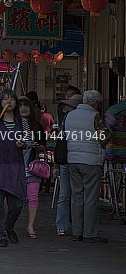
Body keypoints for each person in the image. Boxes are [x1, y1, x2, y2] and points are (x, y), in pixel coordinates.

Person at [0, 88, 32, 247]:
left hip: (15, 167)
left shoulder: (21, 121)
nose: (8, 102)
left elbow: (29, 141)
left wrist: (23, 143)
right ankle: (1, 236)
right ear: (0, 102)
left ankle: (9, 227)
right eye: (5, 99)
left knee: (16, 205)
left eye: (12, 99)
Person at [65, 89, 111, 243]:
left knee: (76, 195)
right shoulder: (95, 116)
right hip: (90, 161)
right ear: (96, 103)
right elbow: (104, 137)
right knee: (90, 197)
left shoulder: (69, 116)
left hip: (73, 159)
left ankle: (77, 231)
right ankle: (89, 233)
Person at [55, 89, 82, 236]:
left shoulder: (68, 119)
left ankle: (63, 226)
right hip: (69, 160)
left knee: (66, 195)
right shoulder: (65, 118)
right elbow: (61, 142)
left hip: (68, 160)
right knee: (69, 195)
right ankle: (65, 225)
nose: (68, 108)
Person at [19, 97, 47, 239]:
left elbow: (43, 145)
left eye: (26, 106)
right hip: (14, 166)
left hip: (31, 167)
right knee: (8, 197)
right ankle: (7, 224)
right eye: (21, 106)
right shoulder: (12, 125)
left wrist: (37, 146)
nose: (24, 109)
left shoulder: (37, 126)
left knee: (33, 197)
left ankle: (30, 226)